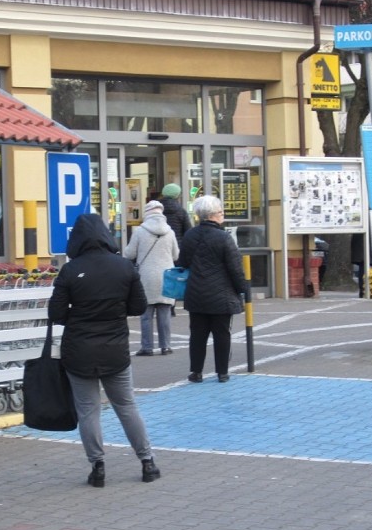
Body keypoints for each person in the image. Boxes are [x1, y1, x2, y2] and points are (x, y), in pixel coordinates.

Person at [48, 213, 160, 488]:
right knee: (126, 405)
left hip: (79, 351)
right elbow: (138, 307)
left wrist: (80, 313)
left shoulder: (70, 270)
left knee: (88, 411)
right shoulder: (123, 267)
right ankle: (147, 462)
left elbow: (56, 313)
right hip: (115, 351)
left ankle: (97, 467)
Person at [176, 195, 247, 384]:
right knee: (221, 334)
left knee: (197, 335)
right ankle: (222, 372)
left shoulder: (190, 235)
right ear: (214, 215)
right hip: (221, 295)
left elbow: (182, 262)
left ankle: (196, 372)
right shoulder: (224, 237)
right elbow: (235, 268)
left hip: (196, 293)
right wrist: (244, 290)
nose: (222, 215)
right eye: (221, 212)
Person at [123, 200, 180, 356]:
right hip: (166, 276)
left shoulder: (140, 231)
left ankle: (147, 347)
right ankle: (166, 346)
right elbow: (176, 255)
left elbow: (129, 254)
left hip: (146, 277)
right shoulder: (170, 232)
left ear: (147, 214)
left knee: (146, 315)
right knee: (165, 313)